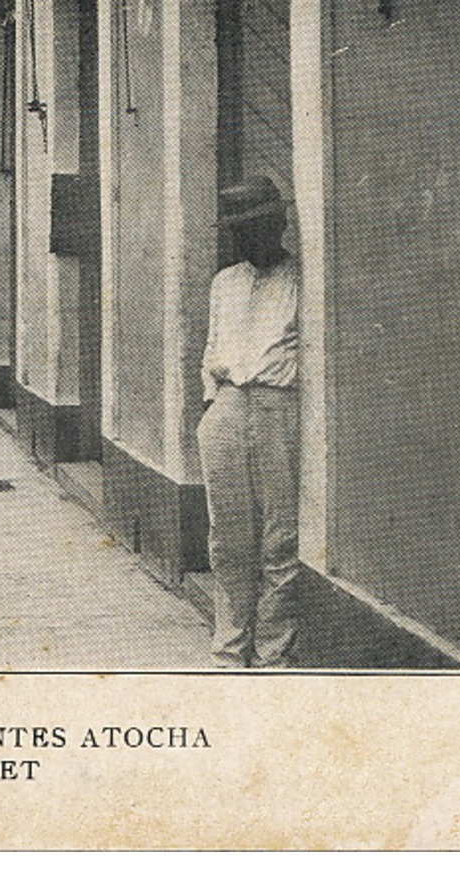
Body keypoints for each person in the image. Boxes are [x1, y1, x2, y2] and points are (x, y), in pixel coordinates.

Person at [198, 175, 301, 668]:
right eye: (238, 230)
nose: (246, 238)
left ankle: (273, 652)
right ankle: (230, 645)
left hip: (278, 407)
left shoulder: (300, 281)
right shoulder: (225, 283)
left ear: (277, 224)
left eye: (255, 226)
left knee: (280, 537)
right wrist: (212, 401)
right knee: (228, 536)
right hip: (227, 408)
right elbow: (211, 350)